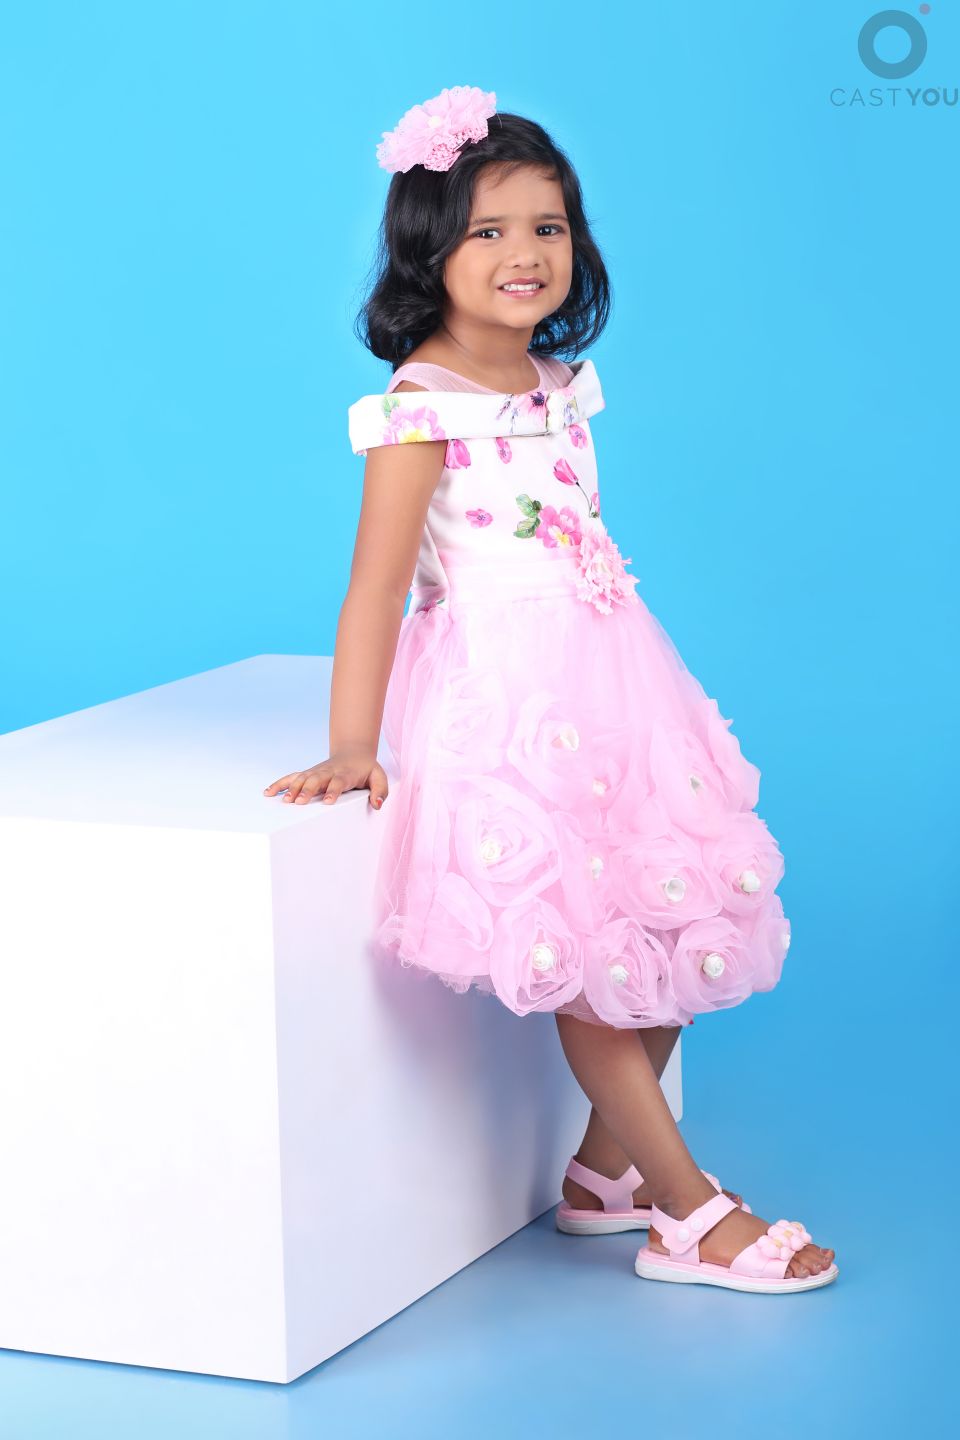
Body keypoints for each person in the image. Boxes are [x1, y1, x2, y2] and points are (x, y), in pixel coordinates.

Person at [264, 86, 837, 1294]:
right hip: (506, 701)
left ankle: (601, 1176)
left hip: (615, 683)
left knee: (675, 916)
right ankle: (688, 1211)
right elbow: (376, 589)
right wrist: (354, 742)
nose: (524, 253)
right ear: (430, 247)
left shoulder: (561, 381)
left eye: (549, 227)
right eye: (488, 230)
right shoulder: (419, 407)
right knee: (593, 958)